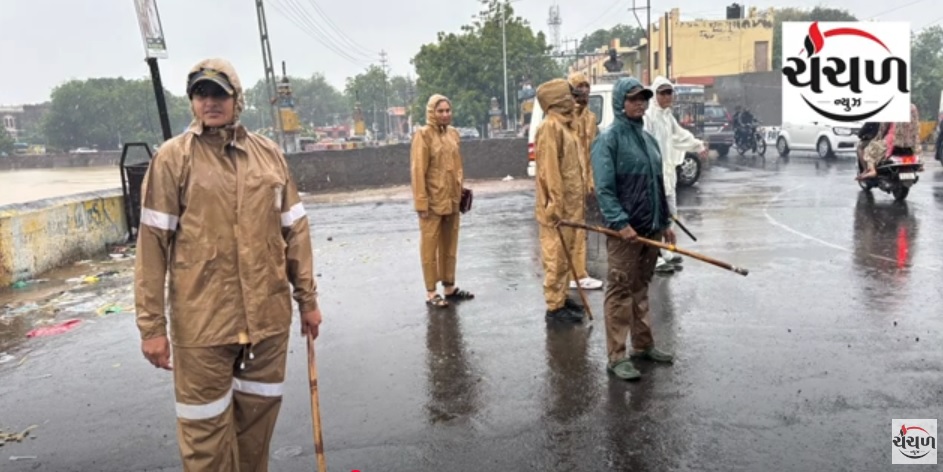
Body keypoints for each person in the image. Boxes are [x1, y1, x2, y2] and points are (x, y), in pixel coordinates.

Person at [134, 58, 322, 470]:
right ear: (192, 102)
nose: (210, 102)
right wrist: (152, 328)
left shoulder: (269, 155)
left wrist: (307, 300)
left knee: (256, 429)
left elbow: (295, 231)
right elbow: (151, 247)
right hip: (203, 327)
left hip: (267, 323)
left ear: (238, 99)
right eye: (201, 94)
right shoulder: (173, 159)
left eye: (219, 93)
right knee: (205, 439)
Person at [591, 77, 677, 381]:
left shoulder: (648, 140)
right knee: (619, 291)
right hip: (625, 233)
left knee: (641, 288)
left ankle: (643, 345)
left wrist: (665, 222)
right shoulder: (608, 140)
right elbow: (604, 189)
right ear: (620, 102)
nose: (640, 103)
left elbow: (657, 185)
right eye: (633, 99)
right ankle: (616, 356)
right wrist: (620, 222)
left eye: (643, 98)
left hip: (650, 229)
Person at [411, 94, 474, 308]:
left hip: (452, 198)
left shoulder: (453, 134)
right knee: (429, 246)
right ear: (432, 112)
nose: (445, 114)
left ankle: (449, 287)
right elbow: (418, 170)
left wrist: (460, 190)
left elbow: (457, 166)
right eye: (440, 111)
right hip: (432, 200)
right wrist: (421, 202)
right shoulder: (423, 135)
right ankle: (431, 292)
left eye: (448, 110)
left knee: (450, 244)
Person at [644, 76, 708, 274]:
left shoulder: (667, 116)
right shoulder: (649, 116)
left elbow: (679, 135)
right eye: (662, 93)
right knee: (654, 217)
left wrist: (697, 145)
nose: (667, 96)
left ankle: (666, 251)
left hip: (668, 174)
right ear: (655, 94)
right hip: (653, 175)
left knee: (670, 213)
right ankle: (653, 257)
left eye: (669, 92)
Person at [534, 78, 585, 323]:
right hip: (558, 208)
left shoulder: (567, 126)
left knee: (567, 254)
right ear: (558, 98)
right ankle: (554, 307)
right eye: (569, 95)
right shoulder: (550, 128)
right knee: (555, 255)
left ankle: (562, 297)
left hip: (571, 206)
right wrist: (554, 205)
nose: (573, 99)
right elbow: (549, 171)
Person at [566, 71, 604, 291]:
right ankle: (572, 273)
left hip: (585, 179)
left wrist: (593, 181)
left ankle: (579, 272)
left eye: (587, 87)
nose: (584, 92)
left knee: (582, 228)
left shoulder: (590, 119)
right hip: (568, 180)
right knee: (570, 229)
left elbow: (594, 152)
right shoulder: (565, 118)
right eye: (579, 87)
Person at [857, 103, 921, 180]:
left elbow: (883, 128)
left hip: (893, 142)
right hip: (910, 143)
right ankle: (920, 166)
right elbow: (916, 126)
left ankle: (872, 170)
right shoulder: (913, 107)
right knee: (917, 153)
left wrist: (877, 138)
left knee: (869, 149)